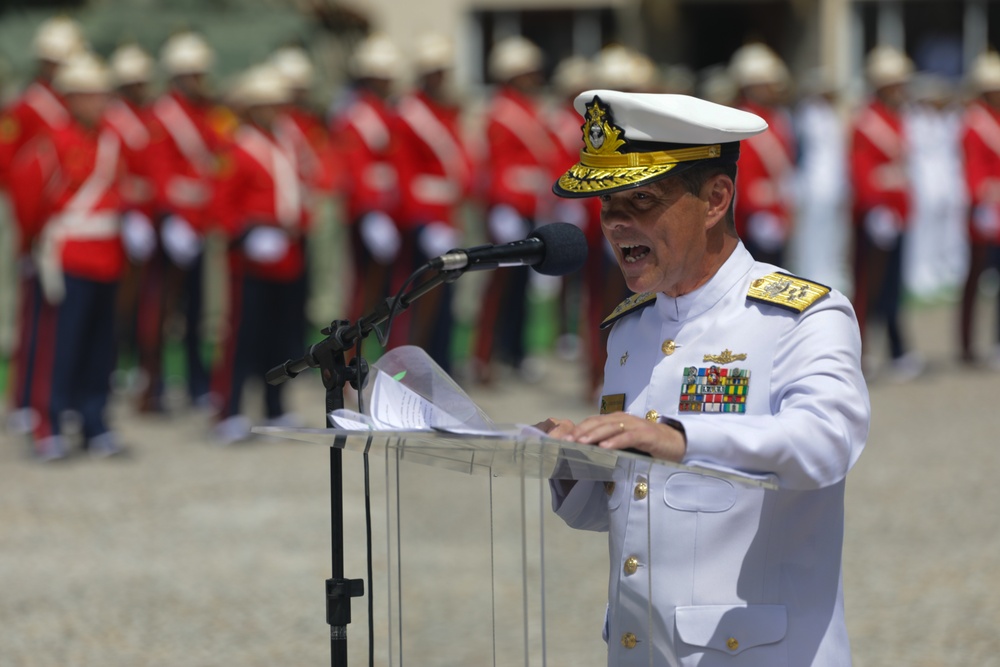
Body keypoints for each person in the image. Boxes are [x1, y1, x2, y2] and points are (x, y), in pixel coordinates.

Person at [538, 89, 870, 665]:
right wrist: (572, 462)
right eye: (606, 204)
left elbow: (827, 444)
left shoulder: (798, 317)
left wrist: (684, 439)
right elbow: (638, 503)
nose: (617, 223)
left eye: (640, 199)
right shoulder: (629, 330)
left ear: (716, 198)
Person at [8, 51, 126, 460]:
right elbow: (28, 197)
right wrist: (33, 245)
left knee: (99, 347)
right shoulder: (54, 142)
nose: (99, 102)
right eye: (90, 95)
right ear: (72, 99)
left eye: (102, 95)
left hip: (106, 255)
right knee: (59, 345)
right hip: (68, 256)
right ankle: (49, 425)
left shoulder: (110, 140)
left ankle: (94, 421)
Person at [211, 64, 309, 444]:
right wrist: (247, 231)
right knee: (242, 336)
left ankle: (275, 405)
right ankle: (229, 409)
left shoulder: (286, 142)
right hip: (250, 258)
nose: (274, 111)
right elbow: (221, 207)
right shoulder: (237, 147)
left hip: (285, 253)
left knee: (281, 337)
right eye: (266, 105)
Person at [0, 16, 85, 438]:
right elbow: (11, 166)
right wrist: (26, 230)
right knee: (33, 311)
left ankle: (57, 394)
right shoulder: (28, 105)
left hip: (66, 224)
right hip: (34, 221)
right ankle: (23, 397)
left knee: (57, 316)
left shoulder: (70, 106)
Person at [147, 31, 228, 409]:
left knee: (197, 310)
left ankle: (198, 382)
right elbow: (159, 171)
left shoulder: (205, 112)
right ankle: (156, 383)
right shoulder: (164, 115)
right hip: (173, 223)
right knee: (163, 309)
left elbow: (215, 156)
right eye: (195, 74)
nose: (202, 81)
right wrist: (175, 214)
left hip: (197, 223)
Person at [473, 35, 560, 384]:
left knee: (522, 284)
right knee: (499, 284)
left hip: (529, 207)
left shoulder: (530, 109)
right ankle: (485, 356)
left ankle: (515, 352)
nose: (534, 78)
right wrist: (499, 206)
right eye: (527, 72)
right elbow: (495, 163)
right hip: (507, 208)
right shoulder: (501, 112)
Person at [394, 34, 473, 373]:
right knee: (418, 301)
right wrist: (423, 221)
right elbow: (404, 170)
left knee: (446, 301)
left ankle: (441, 367)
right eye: (435, 72)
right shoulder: (410, 113)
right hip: (423, 222)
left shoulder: (446, 111)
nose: (441, 78)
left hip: (446, 217)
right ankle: (411, 370)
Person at [849, 46, 923, 380]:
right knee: (867, 286)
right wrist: (876, 204)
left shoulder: (895, 118)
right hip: (875, 214)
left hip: (895, 212)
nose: (901, 89)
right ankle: (859, 351)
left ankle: (896, 349)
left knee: (893, 285)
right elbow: (862, 169)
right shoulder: (867, 121)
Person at [729, 42, 797, 266]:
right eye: (767, 85)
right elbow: (743, 172)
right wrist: (760, 208)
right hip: (753, 217)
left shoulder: (776, 119)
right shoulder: (742, 120)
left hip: (774, 213)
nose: (773, 91)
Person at [959, 50, 1000, 368]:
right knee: (974, 277)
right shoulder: (975, 122)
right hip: (984, 210)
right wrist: (980, 199)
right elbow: (973, 167)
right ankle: (967, 344)